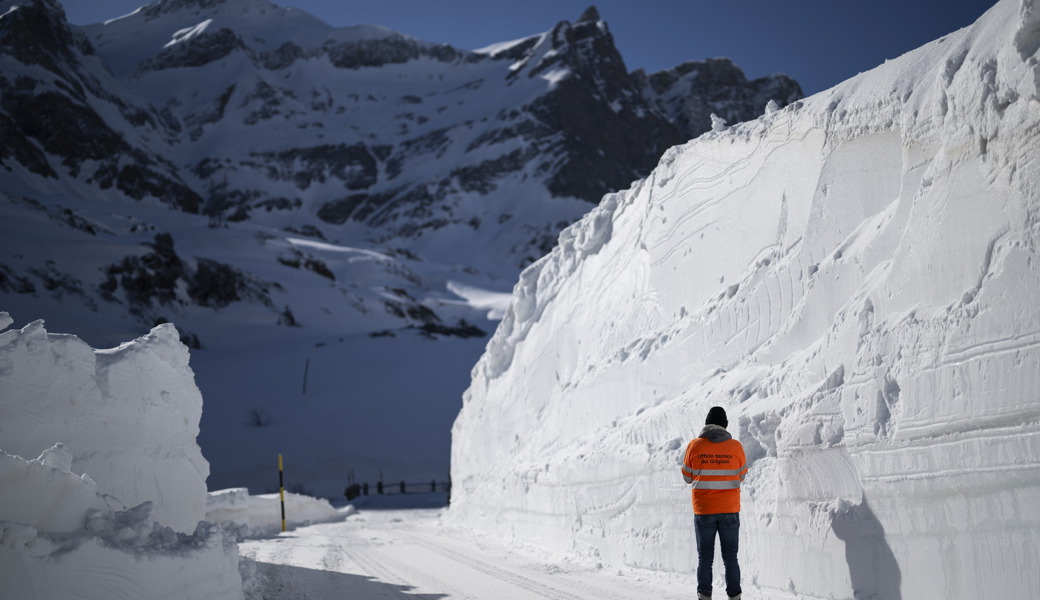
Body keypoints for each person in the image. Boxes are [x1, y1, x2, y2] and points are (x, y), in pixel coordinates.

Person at [681, 406, 748, 600]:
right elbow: (742, 474)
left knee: (705, 559)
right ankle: (734, 597)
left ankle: (704, 597)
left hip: (704, 511)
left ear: (706, 424)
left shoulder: (695, 445)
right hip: (729, 510)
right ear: (725, 425)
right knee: (730, 559)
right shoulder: (736, 447)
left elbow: (687, 477)